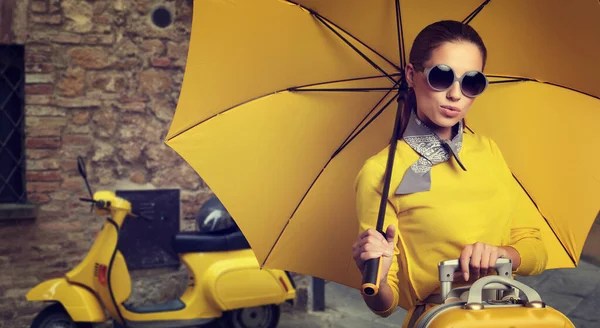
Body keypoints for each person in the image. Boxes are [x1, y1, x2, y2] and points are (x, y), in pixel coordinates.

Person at [351, 20, 548, 327]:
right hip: (439, 319)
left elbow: (536, 250)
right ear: (412, 75)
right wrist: (376, 273)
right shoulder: (381, 172)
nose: (456, 95)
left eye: (471, 82)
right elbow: (384, 306)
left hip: (505, 317)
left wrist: (500, 254)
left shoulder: (489, 151)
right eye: (442, 77)